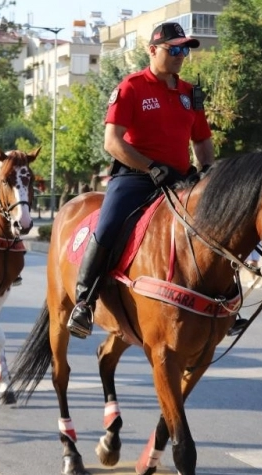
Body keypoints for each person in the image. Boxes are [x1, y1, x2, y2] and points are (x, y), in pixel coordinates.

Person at [68, 22, 227, 339]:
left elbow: (202, 143)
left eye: (185, 50)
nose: (181, 56)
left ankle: (224, 303)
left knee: (219, 226)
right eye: (175, 49)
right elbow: (112, 142)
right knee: (109, 225)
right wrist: (150, 166)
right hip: (135, 178)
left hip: (179, 180)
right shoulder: (131, 87)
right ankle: (84, 302)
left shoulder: (190, 94)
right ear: (153, 50)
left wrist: (207, 172)